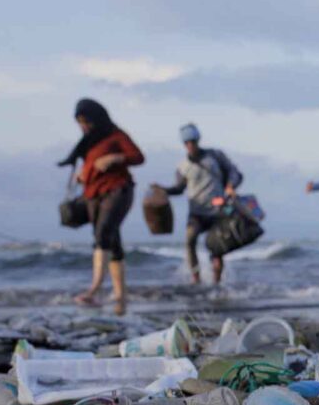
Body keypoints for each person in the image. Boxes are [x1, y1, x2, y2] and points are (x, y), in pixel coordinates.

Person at [58, 99, 144, 315]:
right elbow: (89, 166)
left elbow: (138, 156)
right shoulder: (88, 142)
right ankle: (120, 295)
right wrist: (82, 175)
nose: (83, 126)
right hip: (93, 195)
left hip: (117, 190)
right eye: (80, 122)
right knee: (112, 242)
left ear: (96, 118)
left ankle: (94, 289)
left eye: (86, 121)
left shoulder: (116, 135)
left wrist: (115, 157)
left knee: (103, 232)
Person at [155, 123, 242, 285]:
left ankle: (217, 282)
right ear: (184, 145)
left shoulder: (215, 156)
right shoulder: (182, 167)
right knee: (190, 240)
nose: (191, 145)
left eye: (193, 142)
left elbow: (234, 172)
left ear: (198, 140)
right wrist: (163, 190)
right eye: (187, 143)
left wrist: (230, 186)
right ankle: (196, 280)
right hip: (197, 213)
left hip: (218, 211)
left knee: (217, 248)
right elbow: (179, 188)